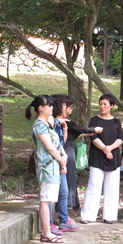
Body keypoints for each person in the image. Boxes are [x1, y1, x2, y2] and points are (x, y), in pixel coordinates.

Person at [25, 95, 67, 243]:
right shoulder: (39, 126)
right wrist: (61, 161)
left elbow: (56, 144)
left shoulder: (47, 125)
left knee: (49, 199)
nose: (51, 107)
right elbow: (49, 147)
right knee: (46, 200)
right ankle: (46, 233)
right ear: (40, 108)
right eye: (48, 105)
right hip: (47, 167)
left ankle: (46, 232)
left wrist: (63, 157)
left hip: (53, 166)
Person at [80, 94, 123, 224]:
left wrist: (110, 149)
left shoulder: (116, 122)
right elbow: (93, 138)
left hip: (113, 157)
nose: (102, 106)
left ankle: (109, 215)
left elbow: (120, 138)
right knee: (94, 185)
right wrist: (105, 149)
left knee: (112, 187)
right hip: (97, 156)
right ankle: (88, 215)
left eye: (105, 104)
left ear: (111, 106)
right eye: (100, 104)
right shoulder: (94, 120)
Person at [62, 95, 103, 214]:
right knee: (68, 178)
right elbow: (79, 129)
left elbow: (76, 132)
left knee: (70, 178)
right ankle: (67, 207)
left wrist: (86, 133)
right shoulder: (64, 121)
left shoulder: (64, 121)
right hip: (66, 150)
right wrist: (93, 130)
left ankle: (69, 207)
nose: (72, 109)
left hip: (69, 148)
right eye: (70, 106)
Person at [48, 95, 80, 233]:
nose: (66, 108)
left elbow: (62, 142)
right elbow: (51, 146)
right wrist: (61, 160)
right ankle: (49, 223)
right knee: (50, 195)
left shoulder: (59, 122)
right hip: (51, 162)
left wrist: (65, 128)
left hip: (61, 160)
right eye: (65, 105)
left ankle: (64, 220)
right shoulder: (49, 121)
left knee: (64, 192)